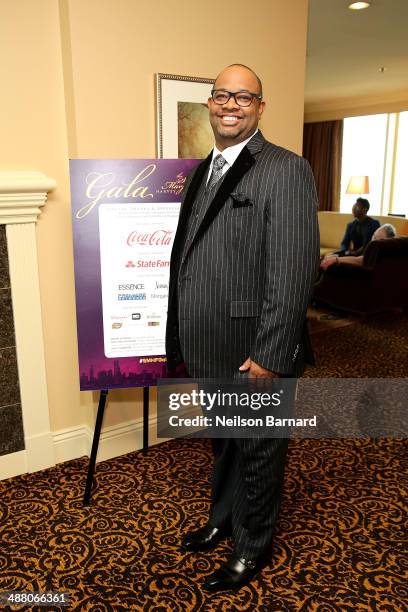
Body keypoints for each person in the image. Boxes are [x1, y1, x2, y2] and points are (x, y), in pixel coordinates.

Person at [166, 64, 319, 592]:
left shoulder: (285, 168)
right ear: (209, 104)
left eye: (245, 97)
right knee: (225, 442)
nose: (232, 105)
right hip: (208, 344)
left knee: (258, 449)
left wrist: (272, 354)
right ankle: (222, 520)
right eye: (222, 96)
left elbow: (294, 269)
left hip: (256, 350)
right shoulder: (201, 169)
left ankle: (252, 548)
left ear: (260, 107)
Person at [321, 223, 396, 270]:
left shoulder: (382, 252)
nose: (373, 240)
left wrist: (336, 259)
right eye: (374, 235)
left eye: (376, 238)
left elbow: (361, 260)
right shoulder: (352, 224)